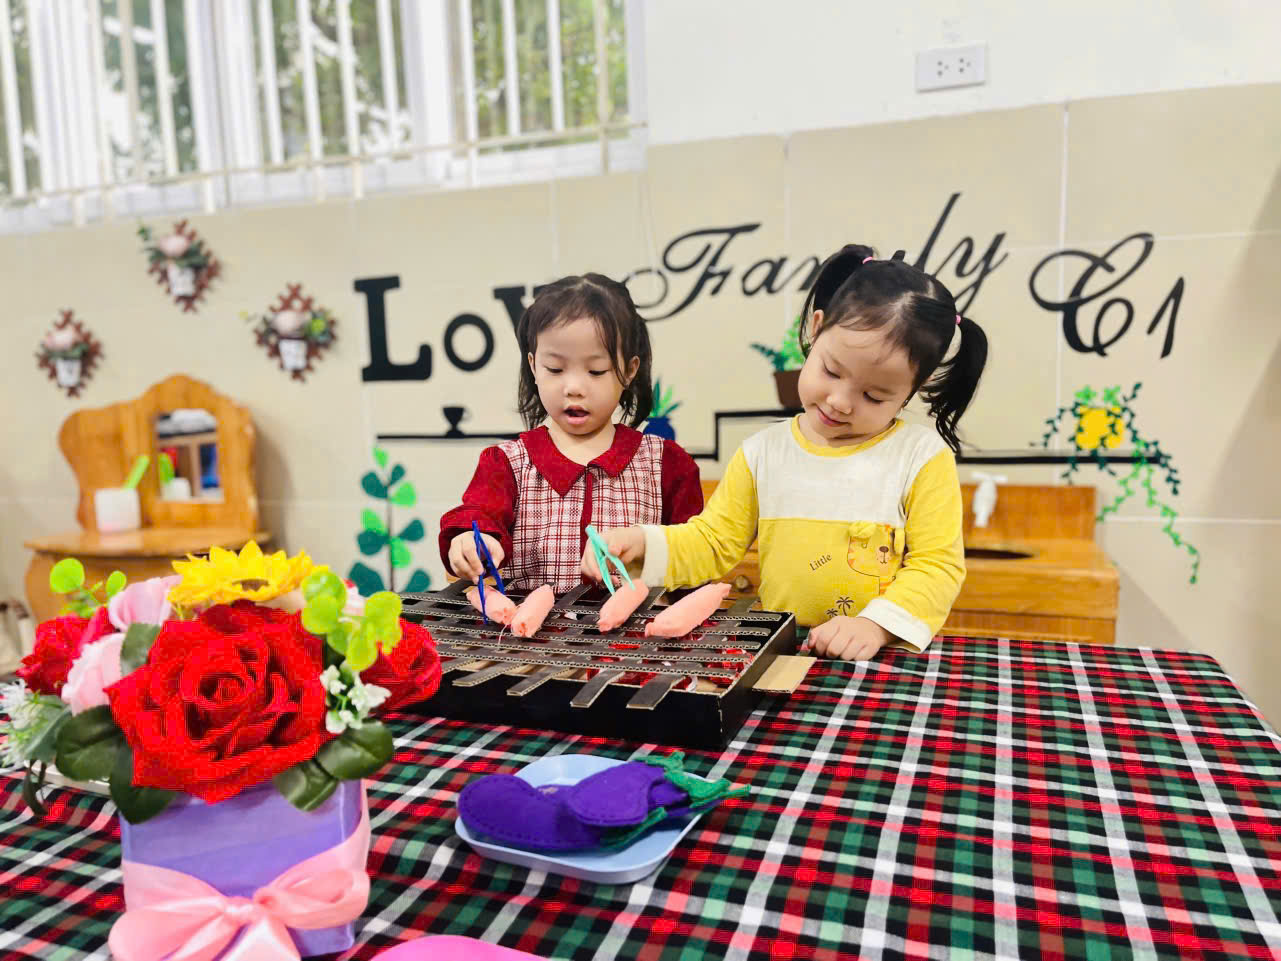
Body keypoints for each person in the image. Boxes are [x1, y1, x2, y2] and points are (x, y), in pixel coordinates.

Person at [582, 245, 988, 660]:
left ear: (910, 392)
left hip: (876, 657)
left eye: (874, 395)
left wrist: (875, 625)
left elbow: (937, 566)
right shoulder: (763, 453)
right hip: (782, 654)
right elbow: (713, 542)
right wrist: (643, 544)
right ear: (816, 329)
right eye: (831, 370)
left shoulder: (921, 457)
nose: (840, 402)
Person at [440, 274, 704, 593]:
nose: (574, 388)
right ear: (533, 365)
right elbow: (479, 515)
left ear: (630, 370)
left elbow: (695, 554)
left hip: (635, 625)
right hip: (527, 626)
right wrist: (471, 540)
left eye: (596, 371)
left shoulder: (665, 464)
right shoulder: (506, 464)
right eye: (555, 369)